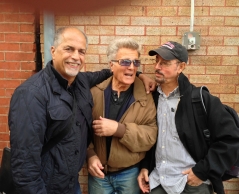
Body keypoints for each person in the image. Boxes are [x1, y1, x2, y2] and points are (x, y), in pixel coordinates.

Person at [8, 27, 153, 194]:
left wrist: (140, 74)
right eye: (69, 49)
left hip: (71, 184)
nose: (76, 56)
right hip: (46, 187)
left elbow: (113, 71)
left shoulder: (81, 81)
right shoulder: (31, 94)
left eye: (81, 51)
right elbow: (24, 166)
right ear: (53, 51)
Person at [137, 41, 239, 194]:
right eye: (156, 61)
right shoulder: (152, 99)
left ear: (181, 67)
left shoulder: (201, 100)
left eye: (164, 63)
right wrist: (146, 165)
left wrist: (201, 171)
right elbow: (152, 139)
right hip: (158, 182)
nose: (157, 67)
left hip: (191, 185)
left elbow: (231, 139)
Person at [87, 37, 158, 194]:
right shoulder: (94, 93)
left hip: (130, 174)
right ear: (111, 65)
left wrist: (119, 129)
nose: (132, 68)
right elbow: (80, 129)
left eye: (135, 63)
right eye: (125, 62)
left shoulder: (146, 96)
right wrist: (90, 154)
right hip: (98, 174)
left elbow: (150, 136)